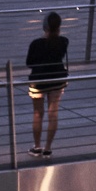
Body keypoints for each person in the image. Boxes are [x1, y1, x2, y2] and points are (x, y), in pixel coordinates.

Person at [25, 12, 70, 158]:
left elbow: (29, 63)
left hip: (39, 81)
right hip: (57, 80)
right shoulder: (64, 41)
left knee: (38, 113)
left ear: (44, 26)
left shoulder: (36, 44)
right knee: (53, 113)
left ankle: (37, 146)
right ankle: (48, 148)